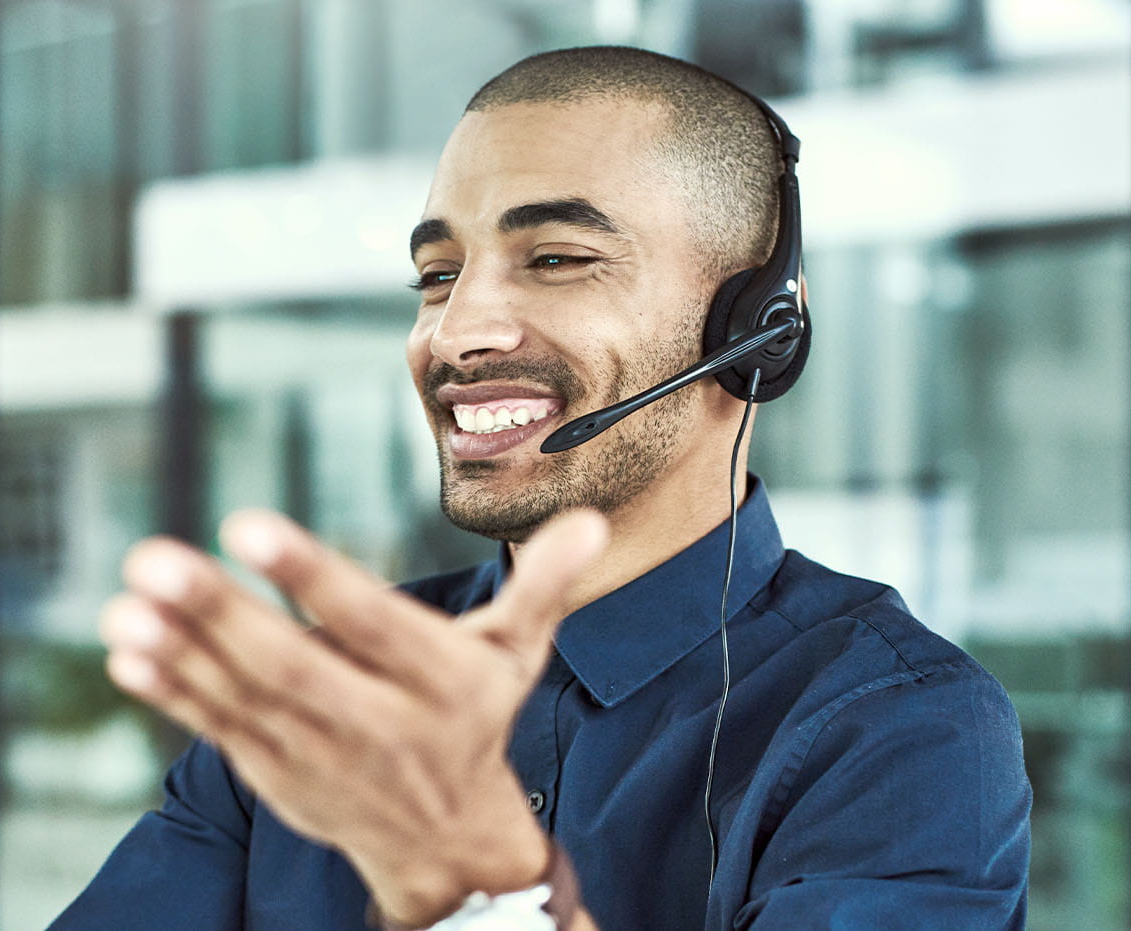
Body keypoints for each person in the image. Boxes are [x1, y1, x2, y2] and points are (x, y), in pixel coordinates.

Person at [54, 46, 1031, 929]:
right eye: (436, 275)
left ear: (759, 327)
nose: (456, 331)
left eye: (557, 259)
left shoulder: (903, 726)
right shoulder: (319, 707)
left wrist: (478, 894)